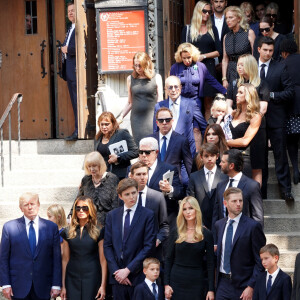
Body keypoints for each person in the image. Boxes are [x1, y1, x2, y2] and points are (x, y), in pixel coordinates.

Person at [0, 192, 61, 300]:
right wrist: (5, 284)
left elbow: (56, 258)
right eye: (26, 205)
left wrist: (56, 284)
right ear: (20, 208)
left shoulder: (51, 227)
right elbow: (3, 258)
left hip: (43, 286)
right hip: (18, 287)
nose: (30, 207)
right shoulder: (9, 227)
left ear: (38, 205)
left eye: (32, 204)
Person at [104, 178, 156, 300]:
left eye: (134, 192)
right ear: (120, 196)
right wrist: (117, 272)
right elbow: (107, 245)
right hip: (117, 278)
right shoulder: (112, 215)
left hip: (137, 276)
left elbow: (149, 246)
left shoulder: (147, 215)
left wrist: (128, 270)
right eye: (127, 194)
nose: (132, 197)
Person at [258, 36, 294, 202]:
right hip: (256, 120)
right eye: (265, 50)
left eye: (271, 51)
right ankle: (261, 192)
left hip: (276, 118)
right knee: (260, 158)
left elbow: (290, 92)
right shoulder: (252, 68)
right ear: (258, 49)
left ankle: (286, 191)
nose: (268, 53)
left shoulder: (280, 67)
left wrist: (271, 95)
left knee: (280, 156)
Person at [215, 187, 266, 300]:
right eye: (234, 201)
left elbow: (261, 260)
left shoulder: (253, 226)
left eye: (240, 200)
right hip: (222, 284)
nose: (238, 204)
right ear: (225, 203)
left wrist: (251, 286)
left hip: (244, 286)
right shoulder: (219, 225)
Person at [226, 54, 269, 186]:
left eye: (241, 65)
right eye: (237, 64)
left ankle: (257, 197)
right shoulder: (235, 83)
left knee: (256, 165)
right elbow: (228, 104)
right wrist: (233, 116)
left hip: (256, 127)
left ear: (249, 66)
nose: (238, 67)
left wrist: (250, 120)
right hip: (239, 122)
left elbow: (263, 108)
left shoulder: (261, 83)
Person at [164, 196, 214, 300]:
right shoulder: (175, 232)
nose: (188, 212)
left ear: (196, 210)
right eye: (184, 209)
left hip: (197, 282)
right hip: (176, 281)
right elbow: (168, 259)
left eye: (191, 208)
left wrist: (211, 289)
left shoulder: (207, 234)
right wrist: (166, 285)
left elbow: (210, 264)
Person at [181, 1, 223, 119]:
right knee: (193, 103)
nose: (207, 14)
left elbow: (219, 51)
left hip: (208, 68)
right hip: (191, 68)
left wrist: (203, 56)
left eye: (209, 12)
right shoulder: (188, 29)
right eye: (204, 11)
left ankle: (207, 133)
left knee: (209, 103)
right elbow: (182, 50)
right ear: (198, 11)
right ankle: (195, 132)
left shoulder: (212, 29)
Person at [60, 196, 107, 300]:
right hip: (72, 277)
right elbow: (65, 260)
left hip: (93, 276)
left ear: (90, 209)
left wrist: (103, 286)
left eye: (85, 208)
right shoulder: (67, 232)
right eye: (78, 208)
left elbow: (103, 261)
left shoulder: (99, 231)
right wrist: (63, 285)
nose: (81, 210)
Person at [170, 43, 226, 120]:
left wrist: (224, 91)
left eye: (189, 57)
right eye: (184, 58)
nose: (187, 60)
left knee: (197, 126)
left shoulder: (200, 66)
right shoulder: (175, 67)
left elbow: (211, 80)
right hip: (180, 101)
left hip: (196, 101)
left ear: (193, 55)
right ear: (180, 57)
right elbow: (170, 85)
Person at [138, 137, 185, 229]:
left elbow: (180, 193)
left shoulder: (168, 169)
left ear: (156, 152)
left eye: (147, 152)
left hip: (162, 221)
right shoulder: (132, 170)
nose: (143, 155)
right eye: (140, 152)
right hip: (140, 221)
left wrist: (170, 189)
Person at [153, 75, 207, 155]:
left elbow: (204, 126)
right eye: (170, 87)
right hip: (167, 150)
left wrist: (204, 147)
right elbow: (155, 131)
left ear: (181, 88)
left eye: (176, 87)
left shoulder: (191, 104)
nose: (173, 90)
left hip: (186, 150)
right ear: (166, 90)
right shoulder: (159, 106)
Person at [212, 149, 264, 231]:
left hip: (244, 237)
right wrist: (215, 240)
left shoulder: (252, 186)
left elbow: (257, 217)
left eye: (223, 162)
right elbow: (216, 215)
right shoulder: (220, 186)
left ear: (231, 166)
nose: (220, 164)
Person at [119, 51, 163, 145]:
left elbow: (160, 100)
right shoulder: (130, 79)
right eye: (135, 65)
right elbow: (130, 102)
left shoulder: (156, 77)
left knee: (152, 144)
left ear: (146, 64)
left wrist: (160, 117)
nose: (138, 68)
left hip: (152, 117)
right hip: (136, 119)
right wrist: (121, 116)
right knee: (139, 146)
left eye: (140, 65)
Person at [129, 161, 169, 260]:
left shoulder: (158, 197)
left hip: (153, 252)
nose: (142, 177)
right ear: (132, 176)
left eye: (144, 174)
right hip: (131, 251)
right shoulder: (126, 197)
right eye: (138, 174)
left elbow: (164, 225)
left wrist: (158, 240)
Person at [70, 151, 119, 226]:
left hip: (107, 223)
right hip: (88, 224)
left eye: (94, 166)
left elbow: (115, 204)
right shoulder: (86, 179)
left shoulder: (112, 179)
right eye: (89, 166)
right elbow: (78, 200)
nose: (91, 169)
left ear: (100, 165)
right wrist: (70, 215)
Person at [187, 143, 227, 229]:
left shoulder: (225, 176)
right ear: (201, 157)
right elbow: (191, 201)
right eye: (206, 156)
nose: (209, 159)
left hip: (221, 223)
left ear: (217, 156)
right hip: (200, 223)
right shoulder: (194, 177)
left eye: (212, 156)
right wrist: (198, 223)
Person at [226, 83, 262, 179]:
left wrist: (225, 142)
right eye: (237, 92)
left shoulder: (255, 116)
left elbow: (245, 141)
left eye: (240, 92)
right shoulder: (235, 113)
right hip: (229, 155)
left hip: (244, 157)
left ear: (249, 95)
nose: (236, 95)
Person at [150, 107, 193, 187]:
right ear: (157, 122)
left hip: (174, 185)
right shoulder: (150, 140)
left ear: (172, 121)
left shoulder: (181, 140)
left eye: (167, 120)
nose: (164, 123)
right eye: (161, 120)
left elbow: (189, 166)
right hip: (153, 185)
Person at [94, 112, 138, 179]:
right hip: (103, 176)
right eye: (101, 124)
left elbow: (135, 152)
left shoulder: (122, 133)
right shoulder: (98, 137)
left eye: (107, 124)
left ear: (113, 123)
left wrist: (118, 157)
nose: (104, 127)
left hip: (120, 176)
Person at [280, 39, 300, 184]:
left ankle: (296, 169)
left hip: (291, 105)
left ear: (284, 52)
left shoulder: (282, 64)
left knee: (292, 140)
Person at [222, 6, 255, 88]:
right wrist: (224, 78)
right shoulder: (226, 37)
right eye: (226, 18)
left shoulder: (249, 33)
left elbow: (255, 56)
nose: (228, 20)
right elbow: (225, 59)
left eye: (231, 17)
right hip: (231, 70)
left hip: (246, 70)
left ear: (239, 19)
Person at [62, 2, 78, 141]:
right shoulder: (70, 28)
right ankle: (77, 129)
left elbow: (78, 47)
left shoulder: (79, 27)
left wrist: (67, 49)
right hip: (69, 71)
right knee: (74, 102)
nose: (70, 13)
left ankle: (78, 131)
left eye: (73, 10)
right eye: (69, 11)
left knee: (77, 102)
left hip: (76, 71)